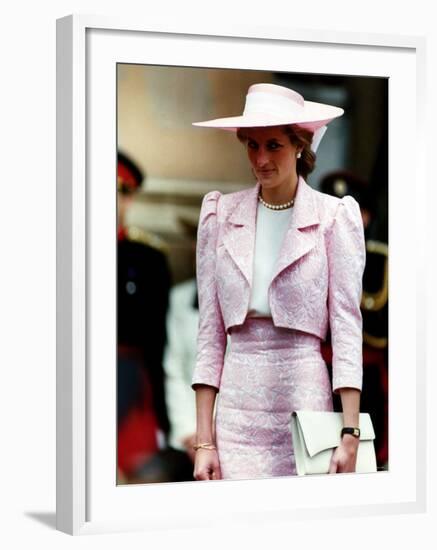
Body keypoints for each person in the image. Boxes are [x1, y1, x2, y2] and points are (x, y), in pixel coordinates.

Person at [190, 83, 366, 481]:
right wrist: (205, 441)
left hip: (304, 403)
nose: (260, 159)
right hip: (235, 413)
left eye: (273, 145)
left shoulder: (333, 217)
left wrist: (350, 430)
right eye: (251, 145)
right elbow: (210, 334)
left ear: (300, 145)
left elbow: (346, 327)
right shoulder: (220, 214)